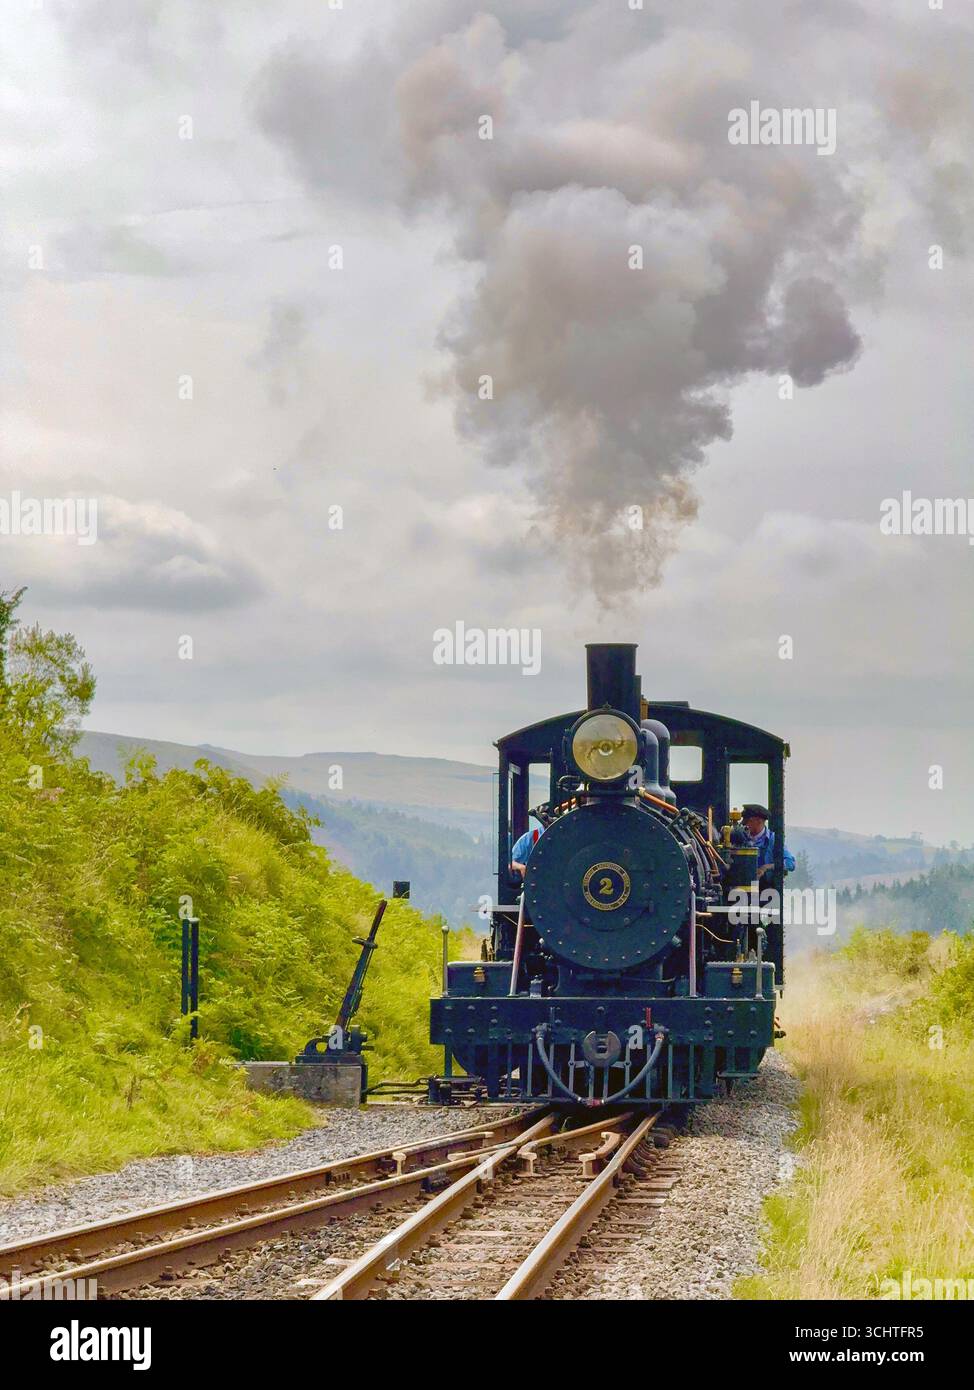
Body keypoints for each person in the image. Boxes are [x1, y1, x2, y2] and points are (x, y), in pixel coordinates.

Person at [741, 804, 795, 877]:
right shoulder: (741, 837)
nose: (744, 824)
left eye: (749, 821)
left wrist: (766, 867)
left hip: (765, 886)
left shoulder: (772, 839)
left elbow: (790, 863)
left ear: (759, 821)